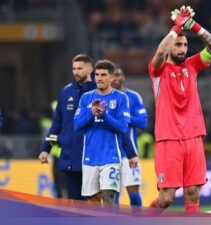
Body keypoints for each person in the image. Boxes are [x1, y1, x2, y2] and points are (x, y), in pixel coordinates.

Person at [148, 5, 211, 212]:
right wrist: (175, 28)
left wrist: (193, 26)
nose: (182, 49)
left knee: (193, 192)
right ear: (171, 46)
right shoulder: (158, 71)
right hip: (168, 139)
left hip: (193, 137)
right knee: (167, 198)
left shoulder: (192, 65)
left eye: (185, 45)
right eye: (178, 45)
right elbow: (160, 52)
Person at [74, 59, 138, 205]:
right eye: (97, 75)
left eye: (103, 75)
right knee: (93, 201)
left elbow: (122, 128)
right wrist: (91, 113)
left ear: (111, 77)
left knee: (109, 198)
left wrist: (105, 115)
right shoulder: (86, 98)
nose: (99, 78)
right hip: (90, 157)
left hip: (111, 158)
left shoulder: (121, 98)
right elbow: (77, 125)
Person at [38, 54, 96, 200]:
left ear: (90, 69)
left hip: (92, 156)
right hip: (69, 155)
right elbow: (56, 123)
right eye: (74, 68)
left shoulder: (98, 91)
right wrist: (46, 149)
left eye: (80, 68)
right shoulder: (66, 92)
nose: (75, 72)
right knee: (74, 200)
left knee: (94, 201)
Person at [111, 67, 148, 206]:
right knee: (112, 195)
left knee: (134, 195)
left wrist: (123, 117)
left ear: (123, 77)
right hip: (110, 153)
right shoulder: (103, 98)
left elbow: (143, 122)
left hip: (129, 153)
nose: (115, 78)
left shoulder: (133, 97)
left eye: (118, 75)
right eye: (112, 75)